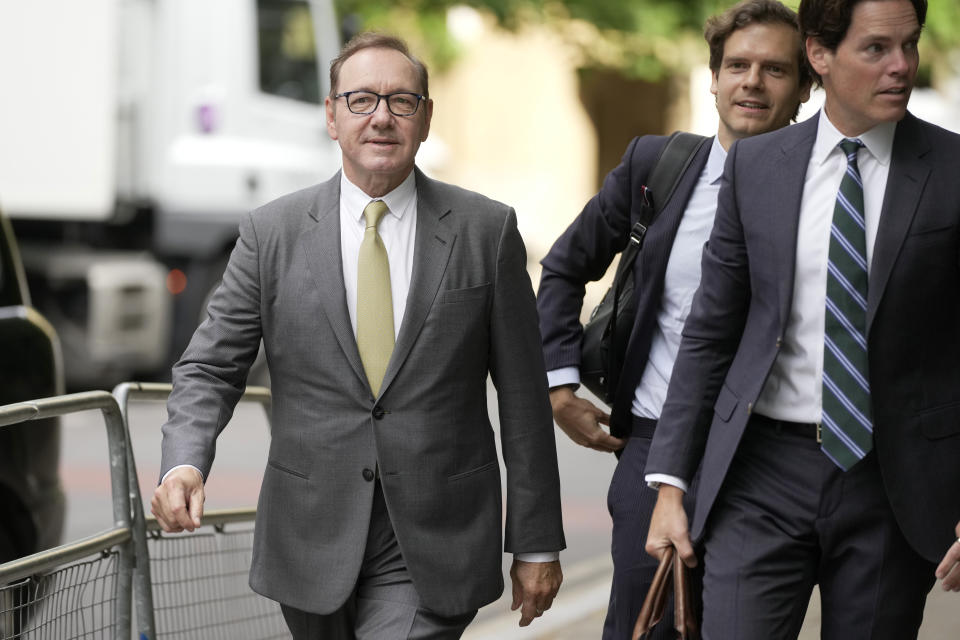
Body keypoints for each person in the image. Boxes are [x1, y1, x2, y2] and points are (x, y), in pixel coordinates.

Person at [151, 32, 565, 640]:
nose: (381, 117)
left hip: (435, 537)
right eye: (361, 99)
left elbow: (526, 399)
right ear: (331, 115)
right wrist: (184, 462)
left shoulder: (487, 231)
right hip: (310, 535)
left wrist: (536, 541)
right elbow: (210, 367)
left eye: (401, 101)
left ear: (425, 120)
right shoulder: (273, 234)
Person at [644, 0, 960, 637]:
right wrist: (671, 487)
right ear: (820, 53)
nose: (901, 67)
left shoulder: (952, 171)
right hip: (760, 473)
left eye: (909, 46)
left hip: (891, 480)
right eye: (876, 49)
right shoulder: (756, 167)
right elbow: (710, 331)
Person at [536, 1, 810, 637]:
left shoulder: (823, 193)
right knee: (643, 624)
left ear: (804, 87)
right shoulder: (655, 166)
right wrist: (559, 383)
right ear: (712, 78)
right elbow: (562, 268)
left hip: (766, 453)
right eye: (737, 65)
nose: (752, 81)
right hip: (655, 441)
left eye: (775, 69)